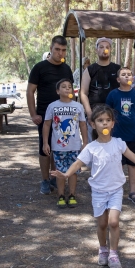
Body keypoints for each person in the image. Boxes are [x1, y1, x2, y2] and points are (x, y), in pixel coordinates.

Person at [51, 105, 135, 268]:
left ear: (113, 124)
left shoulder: (118, 143)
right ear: (93, 124)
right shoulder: (91, 148)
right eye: (100, 120)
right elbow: (78, 163)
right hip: (98, 192)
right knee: (102, 224)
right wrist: (65, 174)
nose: (104, 123)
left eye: (108, 120)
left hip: (115, 190)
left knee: (113, 222)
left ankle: (113, 253)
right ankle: (103, 249)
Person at [27, 36, 74, 195]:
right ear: (51, 48)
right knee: (45, 148)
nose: (60, 53)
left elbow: (69, 92)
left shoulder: (66, 69)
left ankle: (55, 176)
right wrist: (33, 114)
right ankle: (45, 179)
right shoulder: (39, 67)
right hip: (45, 116)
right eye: (57, 49)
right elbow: (30, 91)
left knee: (60, 147)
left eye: (63, 50)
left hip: (64, 117)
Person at [105, 67, 135, 203]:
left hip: (134, 136)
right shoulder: (113, 95)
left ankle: (132, 191)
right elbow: (108, 113)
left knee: (133, 165)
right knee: (117, 165)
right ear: (118, 79)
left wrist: (132, 120)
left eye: (129, 74)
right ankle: (115, 191)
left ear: (132, 78)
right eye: (123, 75)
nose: (127, 76)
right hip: (117, 137)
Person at [42, 78, 88, 208]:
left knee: (73, 171)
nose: (67, 88)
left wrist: (85, 143)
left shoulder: (78, 106)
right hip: (58, 146)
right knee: (60, 171)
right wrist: (46, 143)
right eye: (64, 87)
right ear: (57, 91)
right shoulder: (52, 106)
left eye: (69, 86)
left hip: (75, 146)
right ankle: (61, 195)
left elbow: (83, 125)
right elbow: (46, 124)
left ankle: (72, 195)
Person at [80, 37, 121, 142]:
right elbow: (83, 93)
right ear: (96, 50)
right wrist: (89, 114)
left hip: (113, 115)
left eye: (107, 47)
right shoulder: (90, 69)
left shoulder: (117, 69)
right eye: (101, 47)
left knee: (113, 146)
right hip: (95, 114)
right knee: (93, 146)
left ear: (111, 50)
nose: (104, 49)